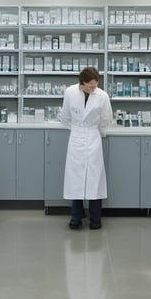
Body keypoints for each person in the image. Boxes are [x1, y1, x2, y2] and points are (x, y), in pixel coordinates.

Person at [61, 67, 113, 230]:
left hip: (93, 138)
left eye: (95, 85)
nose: (93, 89)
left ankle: (95, 220)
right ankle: (76, 218)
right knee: (75, 180)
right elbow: (65, 117)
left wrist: (93, 132)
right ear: (81, 84)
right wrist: (78, 130)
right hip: (76, 138)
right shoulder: (70, 93)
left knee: (94, 180)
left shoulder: (102, 96)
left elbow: (106, 119)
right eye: (90, 86)